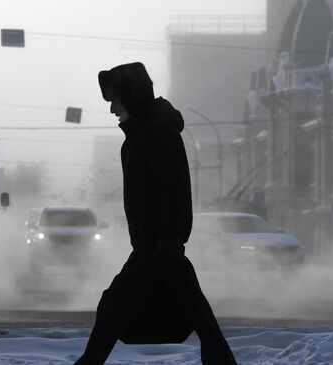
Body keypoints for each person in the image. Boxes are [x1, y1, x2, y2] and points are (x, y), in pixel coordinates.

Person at [73, 62, 237, 365]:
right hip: (158, 243)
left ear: (130, 97)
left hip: (157, 245)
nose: (112, 110)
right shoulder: (145, 131)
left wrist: (167, 240)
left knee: (114, 307)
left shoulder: (155, 133)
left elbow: (172, 190)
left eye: (114, 101)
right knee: (196, 313)